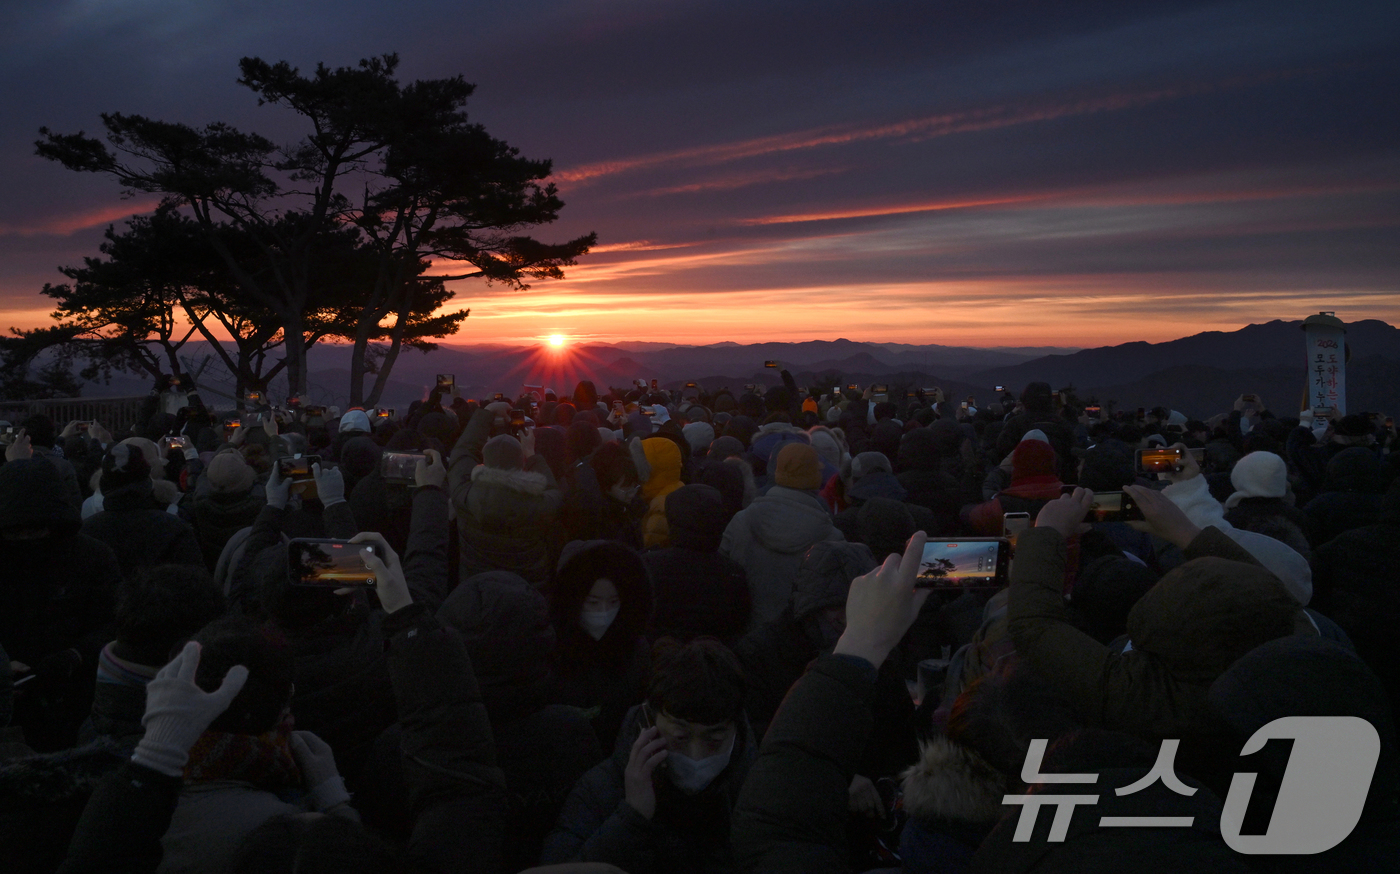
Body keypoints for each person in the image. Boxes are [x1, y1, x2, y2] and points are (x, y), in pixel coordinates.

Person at [542, 638, 757, 874]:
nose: (696, 756)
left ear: (736, 730)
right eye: (680, 737)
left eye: (714, 741)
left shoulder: (757, 790)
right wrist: (631, 818)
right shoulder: (600, 791)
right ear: (649, 721)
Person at [0, 458, 122, 752]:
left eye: (35, 530)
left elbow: (116, 621)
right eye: (14, 532)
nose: (25, 540)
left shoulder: (92, 557)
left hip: (75, 702)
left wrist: (75, 655)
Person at [721, 443, 845, 630]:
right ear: (815, 475)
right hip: (803, 637)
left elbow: (722, 574)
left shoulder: (742, 520)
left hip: (745, 632)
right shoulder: (831, 536)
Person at [550, 540, 654, 752]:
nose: (603, 612)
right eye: (593, 602)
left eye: (613, 602)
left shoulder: (635, 649)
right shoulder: (551, 649)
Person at [449, 408, 562, 588]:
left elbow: (462, 452)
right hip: (529, 592)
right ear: (521, 463)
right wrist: (531, 454)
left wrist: (487, 412)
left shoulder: (465, 496)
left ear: (484, 462)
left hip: (477, 591)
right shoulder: (540, 505)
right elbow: (552, 490)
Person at [643, 485, 751, 647]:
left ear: (673, 520)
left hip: (660, 656)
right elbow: (739, 624)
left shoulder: (650, 566)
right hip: (713, 658)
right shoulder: (733, 574)